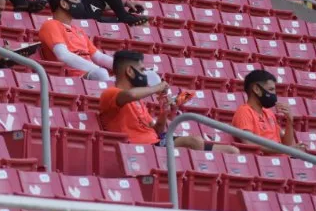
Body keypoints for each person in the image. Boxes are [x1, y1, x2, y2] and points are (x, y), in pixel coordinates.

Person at [100, 50, 239, 153]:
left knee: (231, 151)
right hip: (140, 149)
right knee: (193, 142)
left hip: (156, 143)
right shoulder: (110, 93)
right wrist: (158, 87)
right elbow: (130, 94)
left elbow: (156, 131)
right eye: (142, 70)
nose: (144, 74)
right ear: (130, 71)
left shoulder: (138, 101)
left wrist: (164, 112)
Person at [38, 0, 114, 81]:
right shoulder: (51, 25)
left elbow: (99, 57)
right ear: (64, 4)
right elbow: (63, 55)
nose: (79, 3)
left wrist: (124, 66)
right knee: (102, 74)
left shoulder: (78, 30)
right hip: (72, 78)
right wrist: (96, 69)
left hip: (91, 75)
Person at [232, 70, 302, 153]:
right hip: (263, 160)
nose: (274, 94)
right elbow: (249, 144)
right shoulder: (244, 112)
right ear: (256, 89)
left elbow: (286, 144)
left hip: (281, 158)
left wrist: (289, 121)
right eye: (271, 89)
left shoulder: (269, 112)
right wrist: (286, 150)